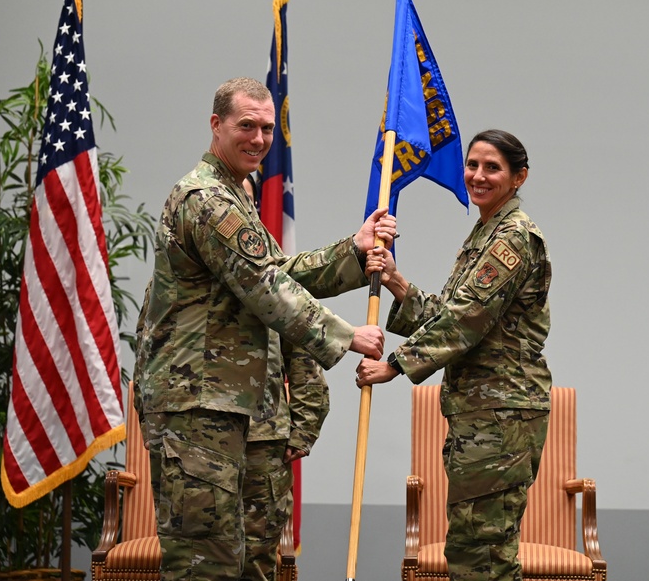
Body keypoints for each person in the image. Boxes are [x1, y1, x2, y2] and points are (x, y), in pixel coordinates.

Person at [133, 77, 395, 581]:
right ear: (217, 125)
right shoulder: (206, 199)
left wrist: (354, 250)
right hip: (196, 409)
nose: (258, 139)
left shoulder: (236, 195)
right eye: (246, 126)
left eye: (268, 129)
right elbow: (263, 285)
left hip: (231, 409)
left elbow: (279, 271)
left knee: (251, 564)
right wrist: (345, 337)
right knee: (204, 569)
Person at [357, 129, 552, 581]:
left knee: (481, 557)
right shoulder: (487, 231)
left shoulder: (513, 238)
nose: (477, 176)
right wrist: (394, 279)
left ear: (519, 177)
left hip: (500, 414)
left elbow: (466, 319)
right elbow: (451, 311)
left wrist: (395, 364)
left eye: (493, 168)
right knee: (473, 550)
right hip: (481, 413)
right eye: (473, 165)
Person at [239, 174, 329, 581]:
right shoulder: (183, 268)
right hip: (197, 440)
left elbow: (305, 353)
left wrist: (302, 431)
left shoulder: (274, 276)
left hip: (263, 440)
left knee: (257, 558)